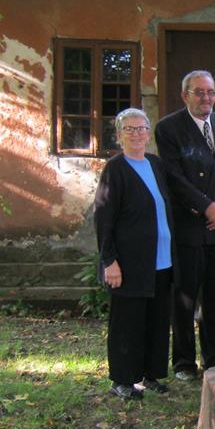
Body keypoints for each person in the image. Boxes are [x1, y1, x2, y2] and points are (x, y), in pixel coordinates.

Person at [155, 70, 215, 381]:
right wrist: (207, 207)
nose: (206, 98)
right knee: (185, 297)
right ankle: (183, 362)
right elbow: (174, 177)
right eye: (199, 92)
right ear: (185, 95)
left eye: (211, 92)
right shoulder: (168, 128)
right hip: (188, 227)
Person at [94, 108, 176, 400]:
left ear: (148, 133)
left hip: (162, 259)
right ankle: (122, 379)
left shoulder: (155, 164)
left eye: (141, 128)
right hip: (129, 262)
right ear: (119, 135)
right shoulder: (115, 169)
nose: (137, 134)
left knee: (156, 320)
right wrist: (109, 261)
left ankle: (151, 374)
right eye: (129, 129)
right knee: (127, 322)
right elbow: (103, 218)